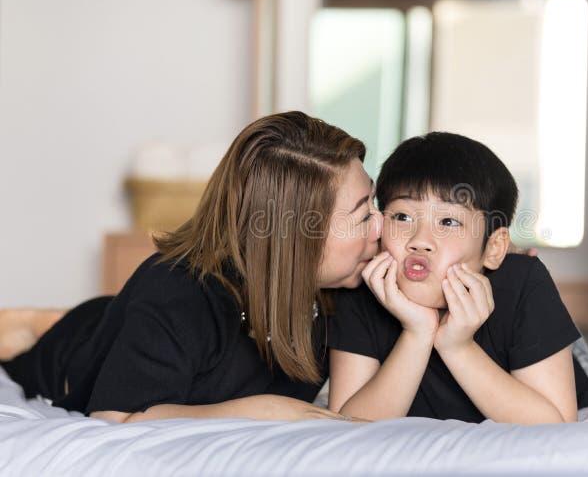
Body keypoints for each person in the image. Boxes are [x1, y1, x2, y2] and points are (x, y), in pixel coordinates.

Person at [0, 111, 382, 423]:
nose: (381, 226)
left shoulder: (348, 289)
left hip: (150, 330)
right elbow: (114, 417)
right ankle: (35, 324)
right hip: (76, 349)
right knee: (47, 342)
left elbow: (355, 412)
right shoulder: (180, 292)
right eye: (364, 215)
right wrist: (266, 409)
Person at [327, 132, 582, 424]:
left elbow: (556, 423)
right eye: (402, 217)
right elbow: (346, 425)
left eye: (448, 222)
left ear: (494, 247)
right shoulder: (364, 287)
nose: (420, 240)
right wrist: (417, 332)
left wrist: (459, 347)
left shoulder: (521, 282)